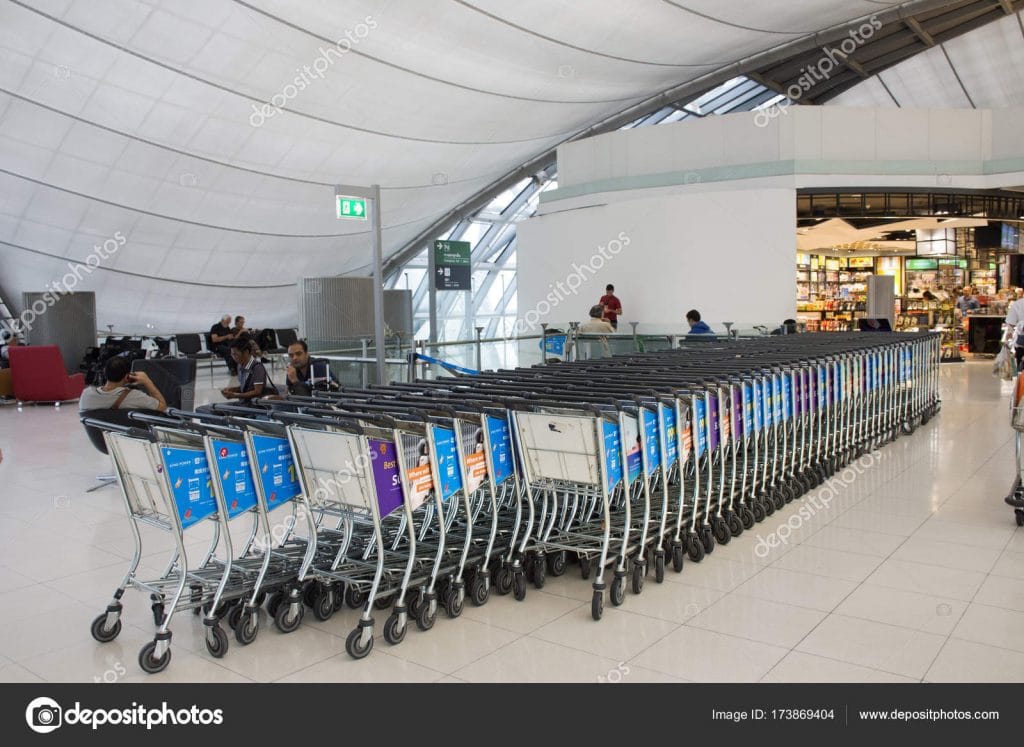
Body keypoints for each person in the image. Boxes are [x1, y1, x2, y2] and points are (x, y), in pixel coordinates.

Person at [79, 355, 167, 412]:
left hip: (99, 439)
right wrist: (147, 381)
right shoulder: (135, 396)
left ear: (105, 371)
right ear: (127, 377)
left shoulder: (86, 394)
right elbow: (163, 408)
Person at [1005, 293, 1024, 368]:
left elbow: (1010, 324)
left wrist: (1007, 342)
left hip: (1021, 342)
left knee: (1020, 367)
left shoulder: (1017, 304)